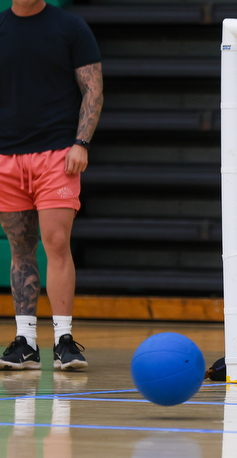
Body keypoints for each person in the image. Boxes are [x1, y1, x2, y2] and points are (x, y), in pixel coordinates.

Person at [0, 0, 103, 371]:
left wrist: (81, 142)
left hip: (57, 155)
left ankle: (64, 340)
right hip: (7, 158)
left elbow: (93, 90)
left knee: (56, 242)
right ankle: (25, 343)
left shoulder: (71, 27)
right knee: (19, 248)